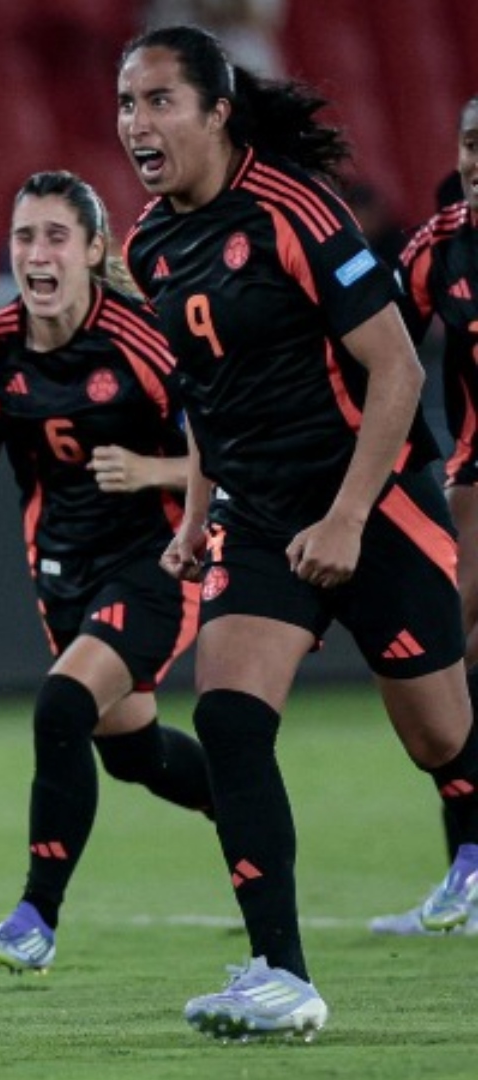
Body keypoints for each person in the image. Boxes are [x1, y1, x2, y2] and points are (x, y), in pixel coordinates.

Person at [118, 25, 478, 1040]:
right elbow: (203, 396)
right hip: (265, 521)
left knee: (442, 738)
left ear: (216, 110)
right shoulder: (149, 242)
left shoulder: (293, 209)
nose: (137, 123)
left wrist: (351, 518)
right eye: (127, 104)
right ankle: (281, 972)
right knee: (230, 719)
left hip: (375, 501)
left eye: (158, 101)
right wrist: (194, 515)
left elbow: (400, 372)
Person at [0, 170, 213, 974]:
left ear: (95, 250)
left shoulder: (143, 339)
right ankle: (244, 812)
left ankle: (36, 916)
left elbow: (226, 448)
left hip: (157, 563)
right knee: (130, 754)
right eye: (25, 236)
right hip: (62, 572)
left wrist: (153, 471)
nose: (37, 252)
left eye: (56, 235)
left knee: (59, 706)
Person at [379, 93, 478, 936]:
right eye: (470, 146)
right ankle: (471, 864)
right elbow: (377, 351)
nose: (477, 163)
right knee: (458, 650)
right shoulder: (438, 248)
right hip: (475, 475)